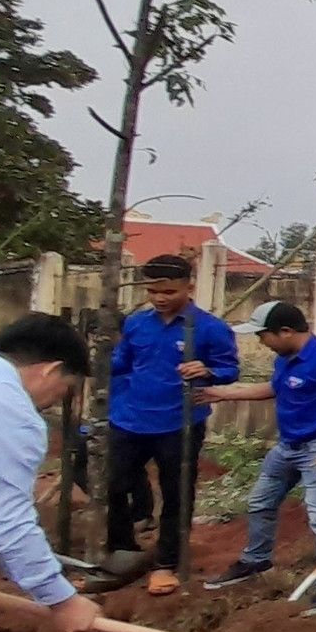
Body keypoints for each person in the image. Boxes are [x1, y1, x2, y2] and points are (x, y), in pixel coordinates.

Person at [197, 302, 316, 616]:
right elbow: (274, 388)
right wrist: (223, 394)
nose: (262, 342)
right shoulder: (284, 359)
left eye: (264, 336)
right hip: (288, 446)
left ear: (286, 331)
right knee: (261, 502)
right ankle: (255, 559)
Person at [108, 255, 239, 595]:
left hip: (179, 422)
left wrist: (207, 372)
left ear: (188, 287)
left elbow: (230, 369)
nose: (160, 298)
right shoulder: (136, 324)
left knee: (176, 493)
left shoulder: (210, 328)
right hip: (130, 419)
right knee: (113, 486)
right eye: (152, 291)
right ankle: (122, 553)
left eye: (168, 291)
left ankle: (166, 563)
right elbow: (122, 364)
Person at [0, 313, 102, 632]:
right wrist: (62, 600)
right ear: (50, 370)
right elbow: (6, 520)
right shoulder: (12, 411)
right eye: (64, 388)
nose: (55, 401)